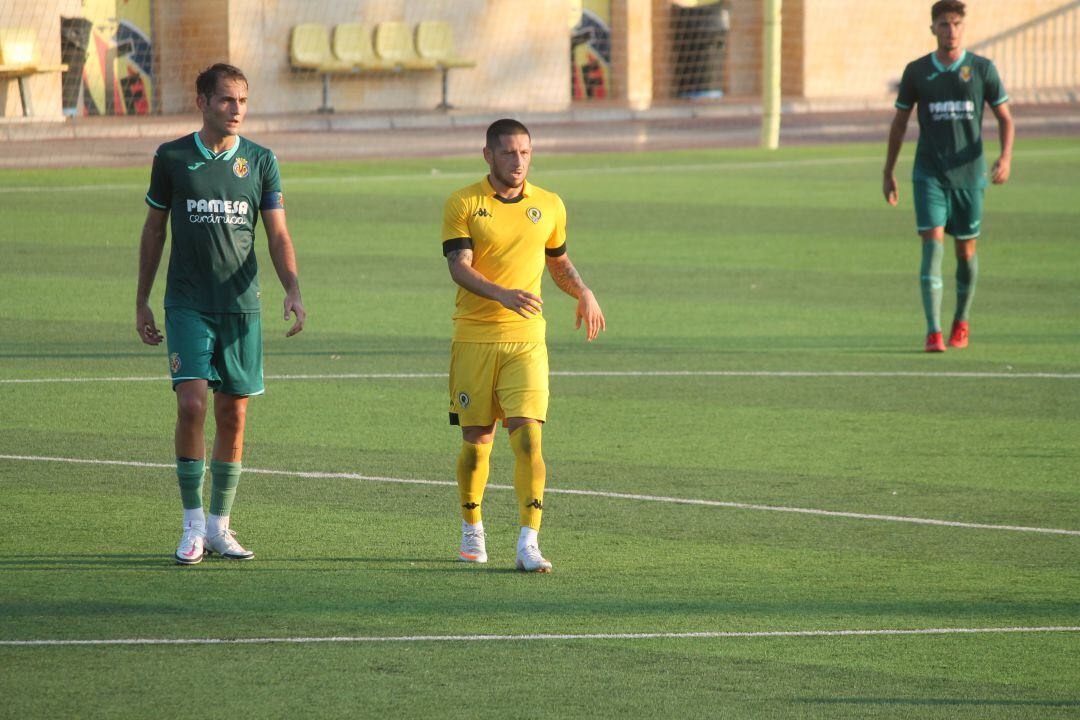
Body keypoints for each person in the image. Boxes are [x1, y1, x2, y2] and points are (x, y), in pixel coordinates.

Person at [136, 63, 305, 565]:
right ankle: (190, 526)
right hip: (187, 303)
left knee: (234, 412)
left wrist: (292, 288)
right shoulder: (172, 157)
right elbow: (154, 231)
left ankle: (219, 527)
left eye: (244, 101)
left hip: (242, 306)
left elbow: (277, 234)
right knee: (192, 405)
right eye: (228, 100)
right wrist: (142, 298)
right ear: (203, 102)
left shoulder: (261, 160)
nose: (237, 110)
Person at [441, 119, 605, 573]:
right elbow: (459, 266)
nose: (519, 161)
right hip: (474, 338)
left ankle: (528, 541)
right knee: (477, 443)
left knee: (530, 437)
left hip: (526, 340)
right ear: (488, 155)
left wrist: (584, 291)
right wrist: (503, 294)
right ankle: (472, 527)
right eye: (510, 153)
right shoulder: (464, 202)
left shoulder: (549, 205)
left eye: (526, 153)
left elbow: (559, 262)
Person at [883, 0, 1014, 352]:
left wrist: (1005, 157)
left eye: (956, 23)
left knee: (965, 250)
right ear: (933, 29)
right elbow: (899, 124)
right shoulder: (917, 72)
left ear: (963, 27)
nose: (950, 30)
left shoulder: (982, 69)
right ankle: (933, 331)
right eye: (944, 24)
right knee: (932, 245)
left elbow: (1005, 118)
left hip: (970, 176)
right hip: (929, 174)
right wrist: (889, 170)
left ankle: (961, 321)